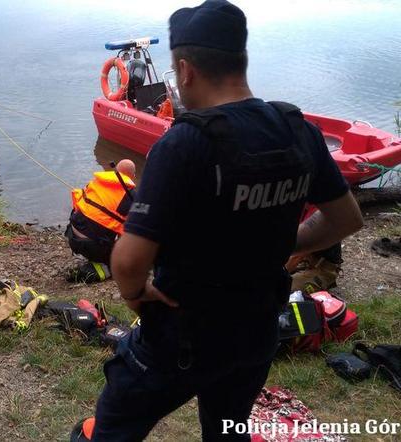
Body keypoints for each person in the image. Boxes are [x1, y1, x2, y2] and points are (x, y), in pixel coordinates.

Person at [80, 1, 364, 440]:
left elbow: (128, 262)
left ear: (186, 70)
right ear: (240, 59)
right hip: (256, 331)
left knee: (114, 428)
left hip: (180, 336)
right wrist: (283, 244)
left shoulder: (185, 144)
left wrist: (137, 295)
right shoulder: (297, 130)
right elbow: (346, 217)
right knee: (227, 428)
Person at [65, 160, 136, 283]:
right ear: (133, 176)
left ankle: (93, 259)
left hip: (72, 236)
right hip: (91, 246)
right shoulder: (130, 196)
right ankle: (90, 272)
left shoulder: (98, 182)